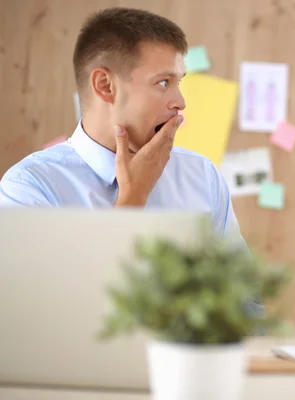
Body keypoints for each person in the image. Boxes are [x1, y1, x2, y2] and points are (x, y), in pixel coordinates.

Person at [0, 7, 242, 241]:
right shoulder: (30, 187)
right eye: (163, 83)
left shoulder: (203, 176)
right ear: (105, 85)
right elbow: (57, 284)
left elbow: (240, 282)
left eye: (178, 82)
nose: (180, 102)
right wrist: (133, 199)